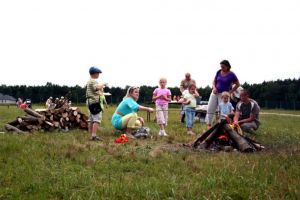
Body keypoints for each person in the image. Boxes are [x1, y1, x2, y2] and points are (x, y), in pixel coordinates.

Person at [206, 60, 240, 128]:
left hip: (224, 95)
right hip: (215, 93)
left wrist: (230, 92)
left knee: (223, 111)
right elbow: (214, 81)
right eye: (221, 66)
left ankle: (223, 126)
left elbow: (238, 84)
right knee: (210, 108)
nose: (221, 68)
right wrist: (214, 87)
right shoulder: (218, 72)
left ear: (227, 67)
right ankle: (209, 125)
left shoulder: (232, 74)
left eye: (223, 67)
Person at [86, 66, 107, 141]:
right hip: (94, 102)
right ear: (94, 73)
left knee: (91, 119)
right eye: (98, 73)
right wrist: (104, 84)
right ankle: (94, 136)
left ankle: (90, 135)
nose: (99, 74)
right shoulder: (93, 81)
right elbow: (97, 88)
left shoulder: (89, 81)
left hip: (89, 101)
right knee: (97, 119)